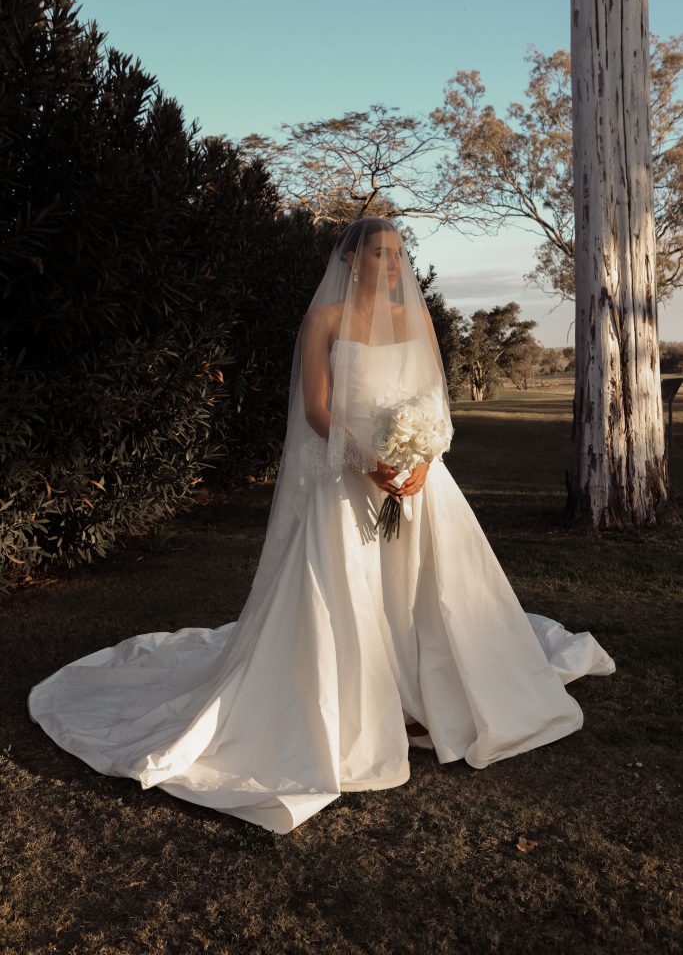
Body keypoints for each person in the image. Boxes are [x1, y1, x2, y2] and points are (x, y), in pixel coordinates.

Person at [27, 216, 616, 835]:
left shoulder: (415, 321)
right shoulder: (325, 322)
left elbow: (435, 400)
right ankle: (368, 704)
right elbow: (316, 408)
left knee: (429, 592)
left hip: (419, 481)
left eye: (397, 255)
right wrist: (369, 462)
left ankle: (427, 695)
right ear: (351, 260)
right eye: (377, 254)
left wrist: (419, 459)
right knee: (348, 596)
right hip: (347, 476)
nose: (389, 265)